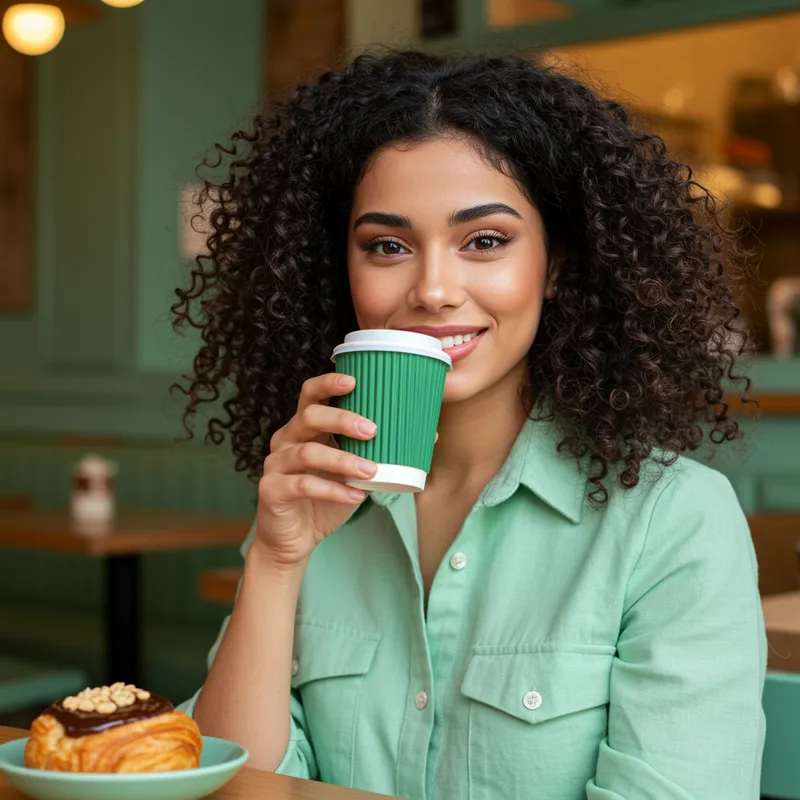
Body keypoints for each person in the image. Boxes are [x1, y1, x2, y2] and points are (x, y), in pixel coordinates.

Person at [172, 50, 766, 799]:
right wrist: (275, 562)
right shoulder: (315, 502)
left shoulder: (672, 520)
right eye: (387, 246)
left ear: (553, 265)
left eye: (485, 240)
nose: (434, 289)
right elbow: (239, 785)